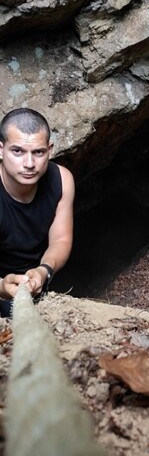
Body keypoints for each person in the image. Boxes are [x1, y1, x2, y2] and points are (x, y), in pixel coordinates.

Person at [0, 108, 74, 317]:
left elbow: (60, 240)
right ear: (1, 150)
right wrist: (2, 287)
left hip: (36, 278)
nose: (29, 164)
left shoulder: (61, 180)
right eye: (18, 151)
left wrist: (44, 271)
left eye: (38, 152)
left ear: (49, 150)